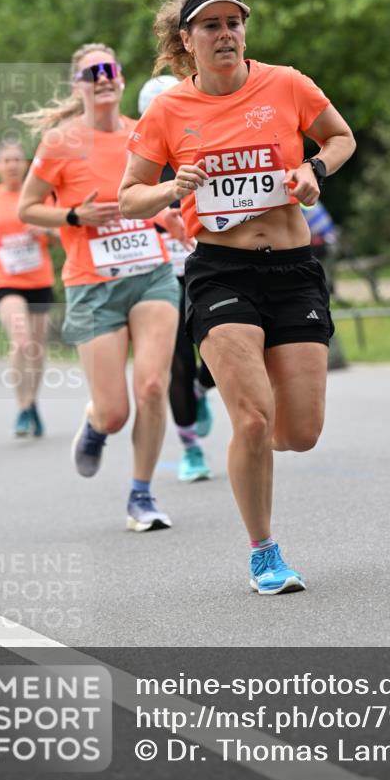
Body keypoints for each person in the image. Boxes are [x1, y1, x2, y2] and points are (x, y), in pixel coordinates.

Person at [119, 0, 356, 592]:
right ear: (187, 39)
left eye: (233, 23)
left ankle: (232, 394)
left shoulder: (287, 84)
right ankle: (264, 553)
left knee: (297, 432)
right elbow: (129, 197)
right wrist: (172, 188)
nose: (225, 34)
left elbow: (340, 136)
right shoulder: (168, 110)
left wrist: (313, 170)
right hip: (222, 270)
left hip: (293, 271)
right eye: (211, 26)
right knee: (251, 420)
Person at [17, 44, 180, 532]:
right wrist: (73, 215)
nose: (104, 78)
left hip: (151, 273)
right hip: (92, 285)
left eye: (111, 70)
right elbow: (27, 208)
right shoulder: (61, 142)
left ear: (123, 80)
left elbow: (149, 197)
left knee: (153, 386)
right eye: (93, 72)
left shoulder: (142, 132)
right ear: (78, 86)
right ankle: (94, 424)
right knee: (114, 412)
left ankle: (141, 496)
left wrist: (166, 215)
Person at [138, 76, 216, 483]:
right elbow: (123, 208)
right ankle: (191, 449)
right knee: (178, 366)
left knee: (224, 356)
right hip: (162, 279)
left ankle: (206, 387)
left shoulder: (204, 149)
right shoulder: (138, 164)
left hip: (209, 268)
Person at [0, 140, 55, 437]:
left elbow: (62, 231)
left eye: (17, 160)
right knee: (20, 341)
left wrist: (44, 228)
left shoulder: (39, 195)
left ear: (26, 164)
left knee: (36, 348)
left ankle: (32, 403)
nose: (12, 165)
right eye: (6, 160)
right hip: (5, 280)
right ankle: (22, 407)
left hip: (39, 280)